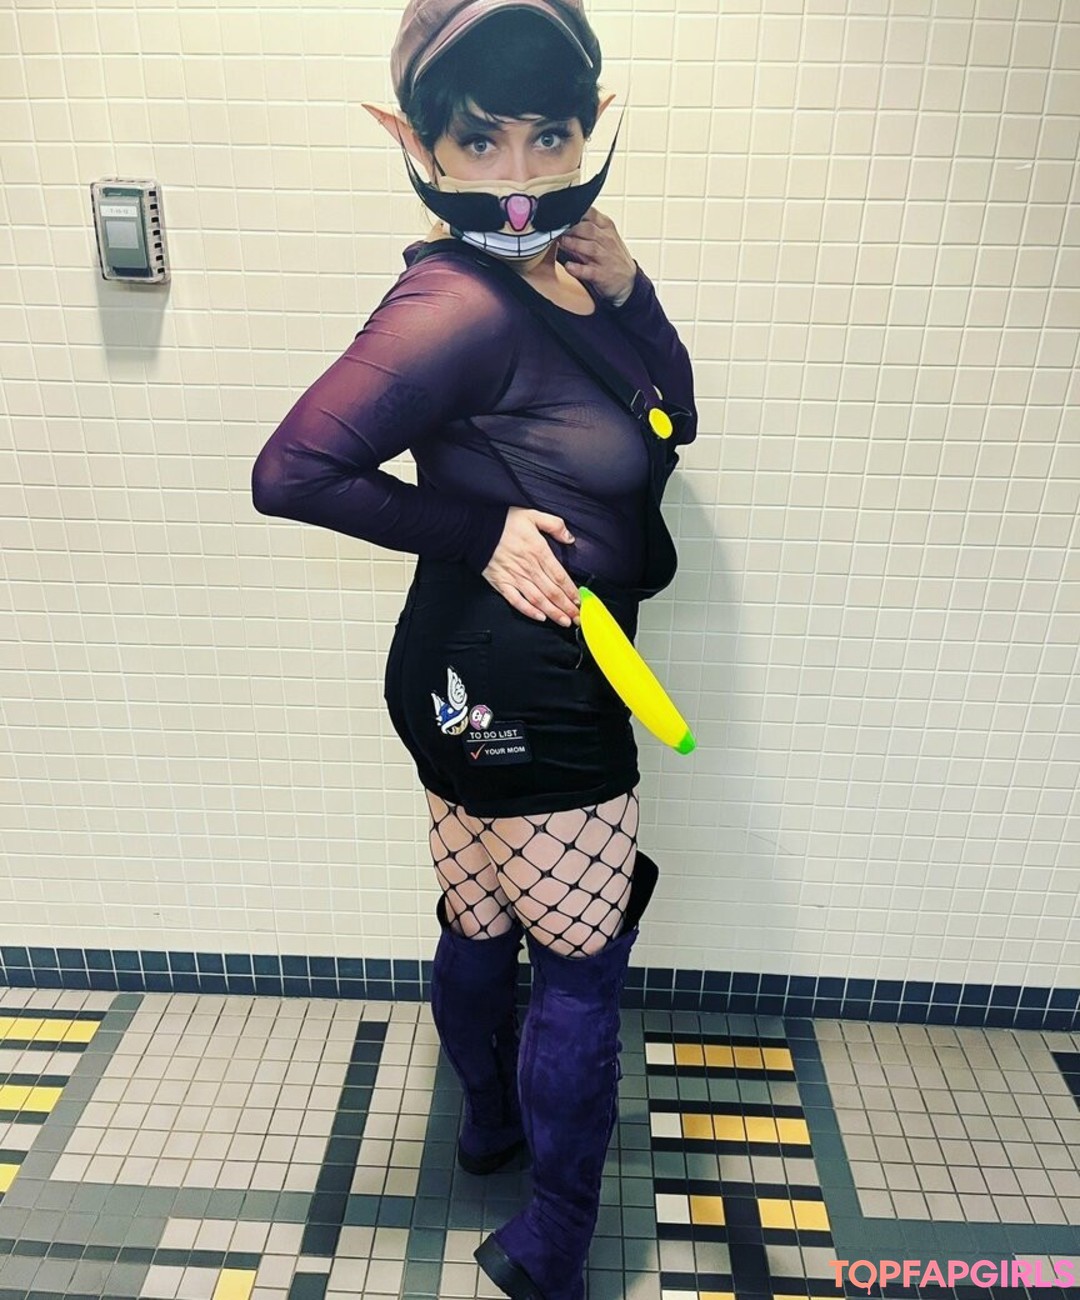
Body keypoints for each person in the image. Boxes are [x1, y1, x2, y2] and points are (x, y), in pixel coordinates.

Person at [251, 0, 697, 1296]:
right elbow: (291, 472)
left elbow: (674, 418)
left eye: (547, 137)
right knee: (579, 966)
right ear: (419, 144)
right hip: (529, 680)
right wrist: (479, 525)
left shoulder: (566, 277)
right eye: (480, 140)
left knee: (482, 913)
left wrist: (633, 294)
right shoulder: (453, 300)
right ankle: (553, 1241)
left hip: (468, 674)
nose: (519, 179)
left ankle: (494, 1129)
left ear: (588, 130)